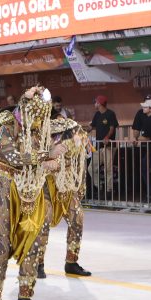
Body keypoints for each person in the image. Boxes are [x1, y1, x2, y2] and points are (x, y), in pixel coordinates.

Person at [0, 87, 62, 300]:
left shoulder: (38, 128)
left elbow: (48, 158)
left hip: (31, 188)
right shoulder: (6, 122)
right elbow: (9, 156)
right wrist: (46, 156)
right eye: (37, 115)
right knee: (2, 244)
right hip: (1, 186)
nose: (40, 121)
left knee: (34, 242)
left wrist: (53, 162)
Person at [36, 117, 93, 278]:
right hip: (46, 184)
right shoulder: (39, 133)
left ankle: (71, 262)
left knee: (77, 219)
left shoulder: (74, 130)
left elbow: (80, 163)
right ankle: (38, 264)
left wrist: (80, 187)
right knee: (43, 223)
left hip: (66, 185)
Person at [90, 95, 118, 197]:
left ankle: (109, 190)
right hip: (99, 146)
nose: (94, 104)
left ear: (100, 103)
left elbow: (112, 128)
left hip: (109, 146)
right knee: (91, 168)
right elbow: (93, 128)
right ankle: (99, 187)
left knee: (108, 169)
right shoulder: (97, 114)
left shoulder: (110, 114)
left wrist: (107, 137)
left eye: (95, 102)